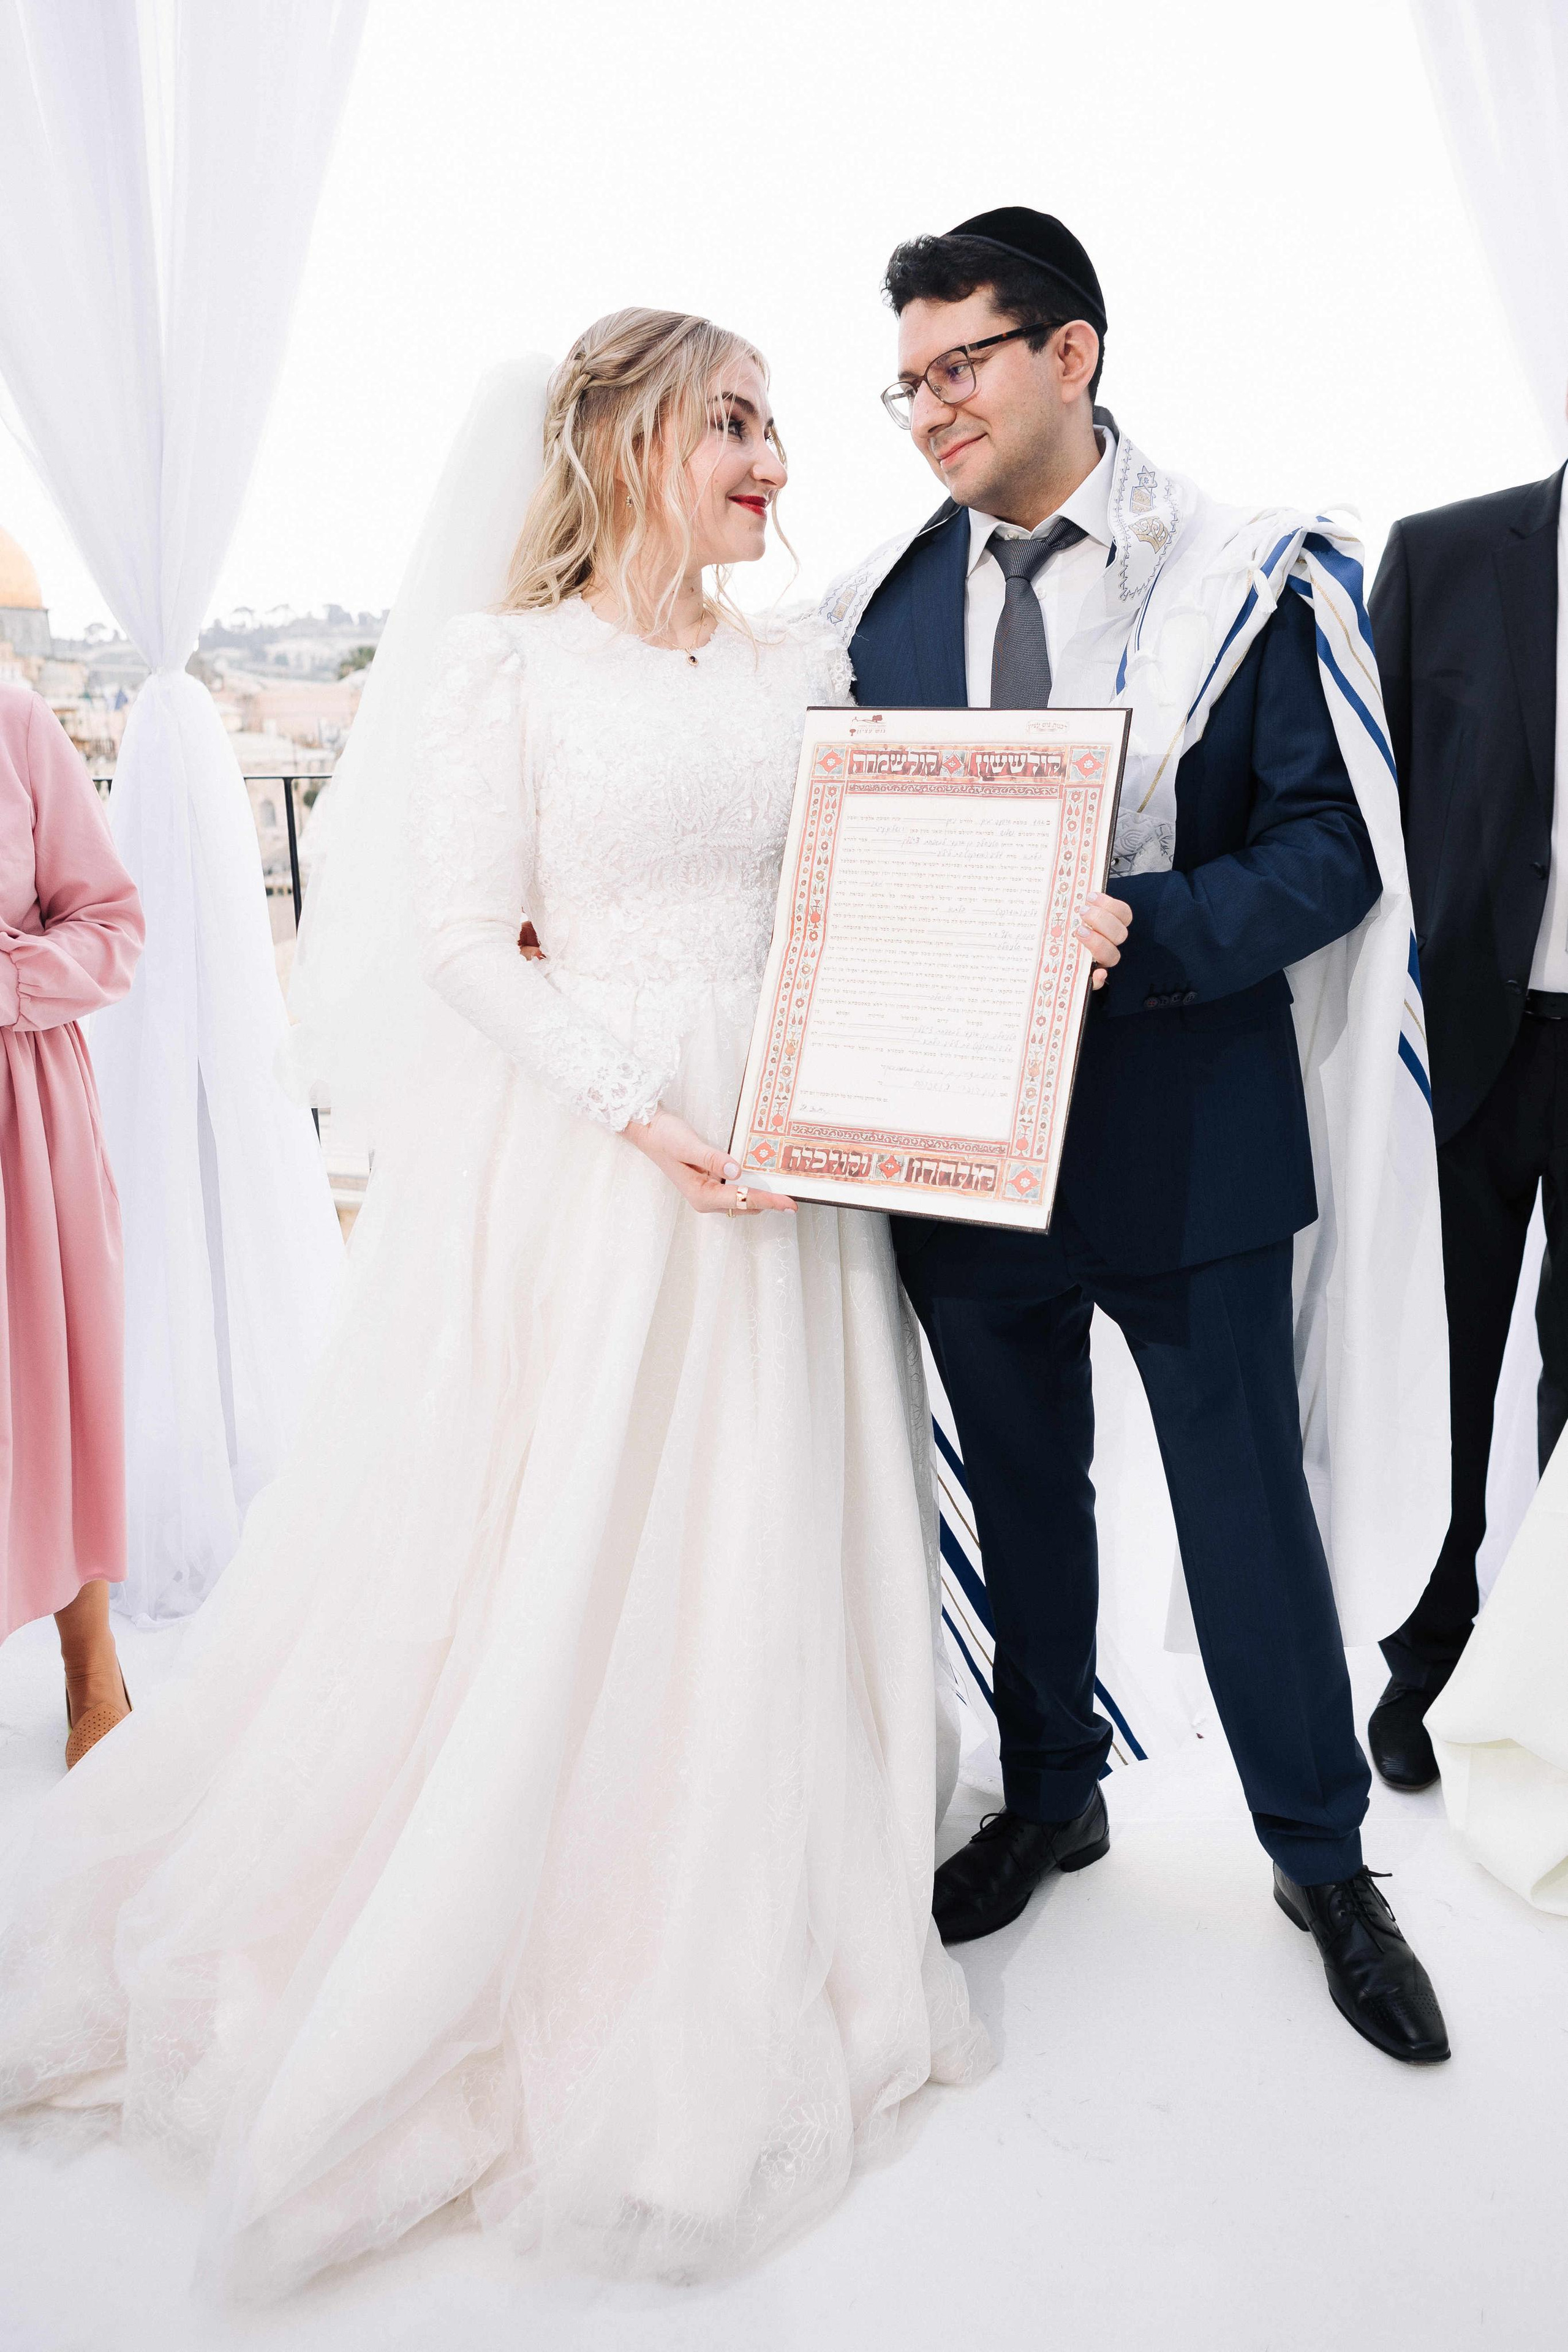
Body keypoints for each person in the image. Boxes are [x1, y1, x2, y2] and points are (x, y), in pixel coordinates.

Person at [0, 311, 986, 2300]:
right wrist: (640, 1112)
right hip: (602, 1157)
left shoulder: (807, 664)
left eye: (781, 421)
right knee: (567, 1529)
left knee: (759, 1511)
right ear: (627, 445)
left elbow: (868, 890)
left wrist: (1006, 938)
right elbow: (459, 935)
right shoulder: (503, 671)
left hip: (785, 1152)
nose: (776, 454)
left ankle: (769, 1848)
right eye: (734, 420)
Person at [832, 206, 1450, 2064]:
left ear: (1072, 352)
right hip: (953, 1129)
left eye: (962, 366)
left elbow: (1334, 852)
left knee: (1243, 1508)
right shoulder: (879, 597)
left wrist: (1149, 932)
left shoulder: (1247, 573)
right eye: (908, 381)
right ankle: (1049, 1792)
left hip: (1186, 1118)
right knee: (1020, 1492)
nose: (928, 408)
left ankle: (1324, 1863)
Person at [1366, 439, 1567, 1792]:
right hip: (1462, 1037)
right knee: (1441, 1367)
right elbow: (1359, 802)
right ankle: (1424, 1659)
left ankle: (1543, 1678)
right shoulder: (1444, 556)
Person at [0, 687, 142, 1764]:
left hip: (21, 1104)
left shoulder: (13, 721)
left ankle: (89, 1658)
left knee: (50, 1375)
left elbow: (111, 927)